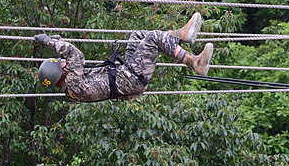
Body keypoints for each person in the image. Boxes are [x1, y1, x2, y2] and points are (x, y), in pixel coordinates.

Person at [33, 13, 214, 102]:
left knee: (137, 36)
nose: (63, 62)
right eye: (61, 63)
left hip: (126, 72)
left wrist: (59, 42)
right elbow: (72, 55)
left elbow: (78, 57)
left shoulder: (71, 84)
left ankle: (180, 35)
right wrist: (50, 43)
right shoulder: (73, 84)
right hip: (132, 77)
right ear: (61, 72)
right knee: (153, 39)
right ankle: (194, 62)